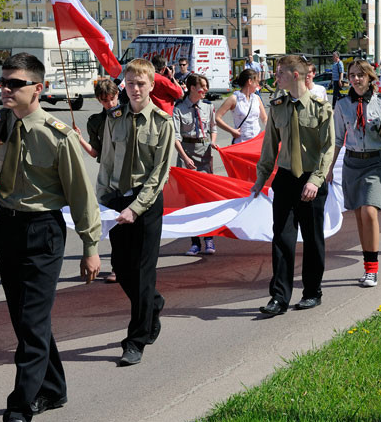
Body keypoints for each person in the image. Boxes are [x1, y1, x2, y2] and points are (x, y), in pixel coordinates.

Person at [0, 53, 102, 422]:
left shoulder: (57, 135)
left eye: (15, 83)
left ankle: (20, 406)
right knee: (25, 320)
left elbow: (81, 195)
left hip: (43, 232)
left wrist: (91, 246)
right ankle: (55, 387)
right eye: (4, 81)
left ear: (38, 89)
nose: (6, 89)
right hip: (7, 229)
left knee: (32, 323)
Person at [97, 58, 174, 366]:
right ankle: (153, 303)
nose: (135, 89)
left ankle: (136, 339)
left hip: (146, 202)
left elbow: (160, 173)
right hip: (116, 200)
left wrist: (136, 208)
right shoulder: (114, 117)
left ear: (152, 85)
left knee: (142, 271)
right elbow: (106, 161)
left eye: (141, 83)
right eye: (130, 83)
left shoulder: (162, 122)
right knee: (121, 267)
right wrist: (101, 198)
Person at [250, 55, 334, 315]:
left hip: (311, 180)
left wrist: (316, 180)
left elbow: (328, 148)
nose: (276, 78)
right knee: (282, 239)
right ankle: (279, 297)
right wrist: (261, 179)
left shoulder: (320, 107)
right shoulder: (277, 105)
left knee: (312, 239)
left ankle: (312, 291)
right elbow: (269, 147)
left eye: (281, 74)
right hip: (286, 179)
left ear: (295, 75)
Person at [329, 59, 381, 287]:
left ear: (370, 78)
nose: (356, 79)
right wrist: (328, 169)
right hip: (352, 164)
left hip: (376, 163)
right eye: (352, 75)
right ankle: (367, 267)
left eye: (360, 75)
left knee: (369, 212)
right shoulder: (342, 104)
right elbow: (338, 139)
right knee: (359, 216)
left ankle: (373, 269)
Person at [74, 78, 122, 283]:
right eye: (104, 101)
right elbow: (95, 152)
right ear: (98, 100)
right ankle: (117, 267)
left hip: (128, 172)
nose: (109, 104)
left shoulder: (130, 115)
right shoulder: (95, 121)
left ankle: (128, 265)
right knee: (110, 220)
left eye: (112, 99)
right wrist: (80, 139)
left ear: (117, 95)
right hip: (106, 173)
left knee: (130, 220)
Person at [173, 73, 218, 256]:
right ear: (192, 88)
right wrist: (184, 157)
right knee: (190, 201)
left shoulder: (208, 107)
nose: (205, 90)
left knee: (206, 198)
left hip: (204, 153)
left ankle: (209, 240)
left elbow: (213, 128)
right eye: (202, 87)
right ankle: (194, 242)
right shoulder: (179, 108)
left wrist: (213, 142)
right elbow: (175, 137)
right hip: (187, 153)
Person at [215, 68, 267, 144]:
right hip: (241, 142)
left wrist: (270, 129)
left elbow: (264, 118)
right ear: (250, 81)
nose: (258, 85)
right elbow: (216, 117)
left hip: (257, 141)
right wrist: (232, 131)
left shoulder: (256, 98)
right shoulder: (234, 98)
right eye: (257, 82)